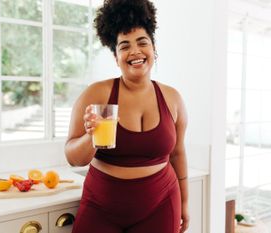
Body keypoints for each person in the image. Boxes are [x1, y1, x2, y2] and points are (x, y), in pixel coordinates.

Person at [64, 0, 189, 232]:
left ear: (153, 50)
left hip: (161, 204)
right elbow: (73, 157)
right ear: (116, 57)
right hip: (101, 207)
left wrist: (185, 202)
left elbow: (178, 153)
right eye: (124, 46)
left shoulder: (173, 98)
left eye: (142, 42)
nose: (135, 51)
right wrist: (91, 137)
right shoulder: (97, 94)